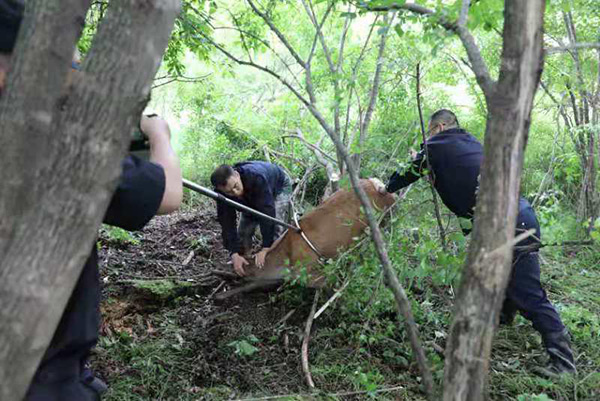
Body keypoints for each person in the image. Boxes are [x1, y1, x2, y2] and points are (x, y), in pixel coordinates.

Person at [0, 1, 183, 399]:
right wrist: (159, 136)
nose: (75, 68)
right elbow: (169, 195)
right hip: (40, 381)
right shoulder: (44, 142)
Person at [381, 109, 576, 377]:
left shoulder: (436, 144)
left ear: (438, 127)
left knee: (528, 292)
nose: (428, 137)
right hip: (517, 217)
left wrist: (385, 188)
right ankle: (501, 318)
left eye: (429, 131)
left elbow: (407, 173)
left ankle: (564, 363)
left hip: (507, 225)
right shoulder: (470, 142)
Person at [211, 161, 292, 276]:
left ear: (237, 175)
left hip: (279, 185)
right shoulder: (220, 193)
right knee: (243, 232)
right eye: (229, 192)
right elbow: (227, 222)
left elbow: (267, 214)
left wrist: (265, 248)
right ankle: (245, 261)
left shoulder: (256, 176)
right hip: (252, 194)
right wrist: (234, 253)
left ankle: (273, 263)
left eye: (235, 186)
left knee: (276, 226)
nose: (235, 193)